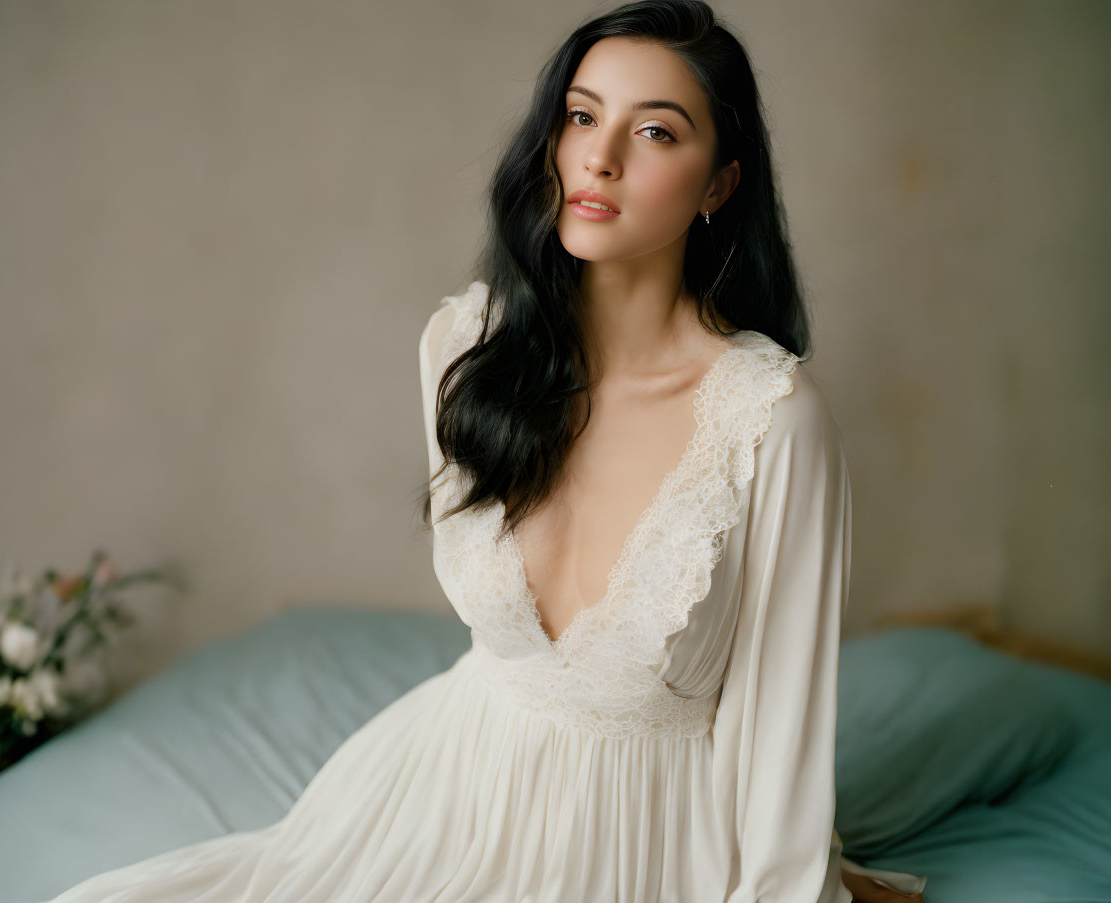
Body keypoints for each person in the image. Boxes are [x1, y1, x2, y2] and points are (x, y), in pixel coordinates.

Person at [46, 1, 927, 900]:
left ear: (719, 186)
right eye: (581, 115)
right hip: (442, 788)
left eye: (655, 132)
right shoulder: (463, 348)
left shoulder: (771, 417)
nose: (599, 157)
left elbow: (779, 723)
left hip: (647, 841)